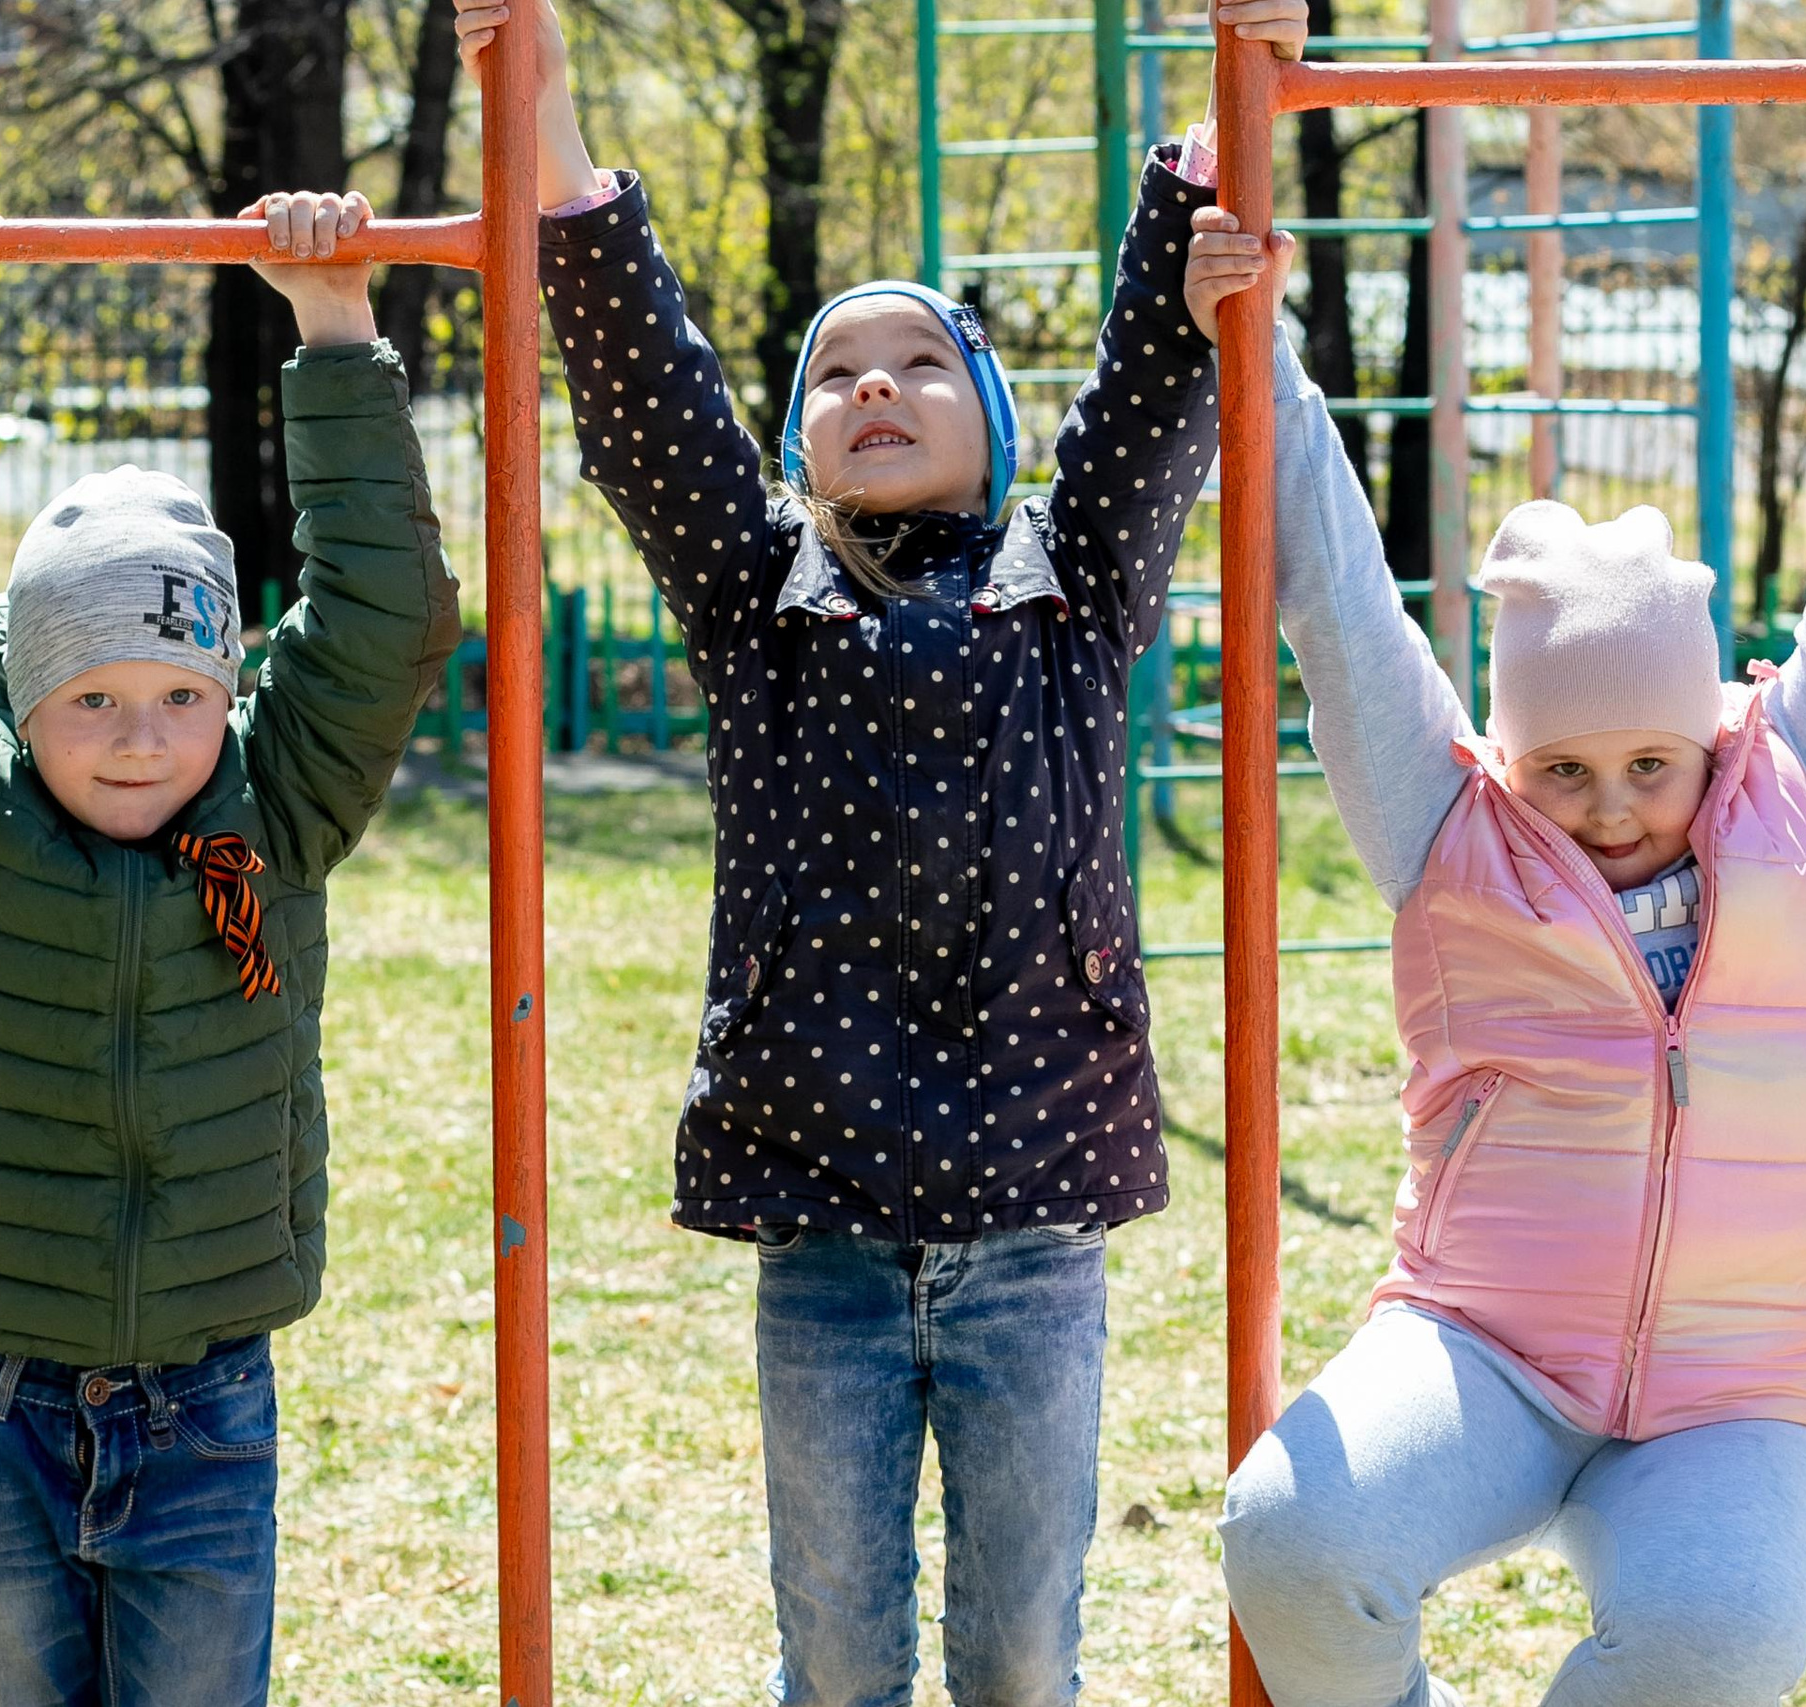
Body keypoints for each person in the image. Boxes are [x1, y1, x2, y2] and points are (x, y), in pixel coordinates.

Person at [1197, 5, 1806, 1689]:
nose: (1612, 808)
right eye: (1567, 767)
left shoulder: (1801, 778)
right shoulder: (1452, 828)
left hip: (1739, 1380)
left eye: (1650, 763)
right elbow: (1336, 600)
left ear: (1711, 735)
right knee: (1288, 1538)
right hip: (1488, 1344)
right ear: (1504, 749)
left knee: (1718, 1643)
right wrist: (1262, 340)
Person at [448, 0, 1280, 1696]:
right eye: (832, 371)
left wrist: (1235, 76)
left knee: (1020, 1650)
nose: (871, 386)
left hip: (1032, 1222)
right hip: (820, 1218)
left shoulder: (1076, 580)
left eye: (914, 361)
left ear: (987, 411)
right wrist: (530, 72)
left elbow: (1148, 376)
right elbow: (636, 369)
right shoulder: (761, 593)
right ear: (800, 441)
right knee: (832, 1650)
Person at [0, 185, 461, 1707]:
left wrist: (339, 325)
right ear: (20, 696)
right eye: (92, 697)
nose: (143, 739)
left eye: (180, 694)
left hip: (210, 1394)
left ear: (230, 689)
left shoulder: (273, 812)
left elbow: (388, 613)